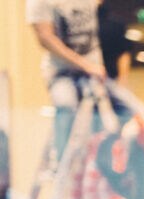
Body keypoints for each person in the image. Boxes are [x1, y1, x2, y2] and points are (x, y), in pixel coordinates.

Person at [27, 0, 106, 163]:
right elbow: (45, 37)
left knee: (106, 117)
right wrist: (86, 65)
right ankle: (63, 164)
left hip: (93, 73)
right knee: (66, 105)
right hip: (61, 72)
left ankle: (100, 166)